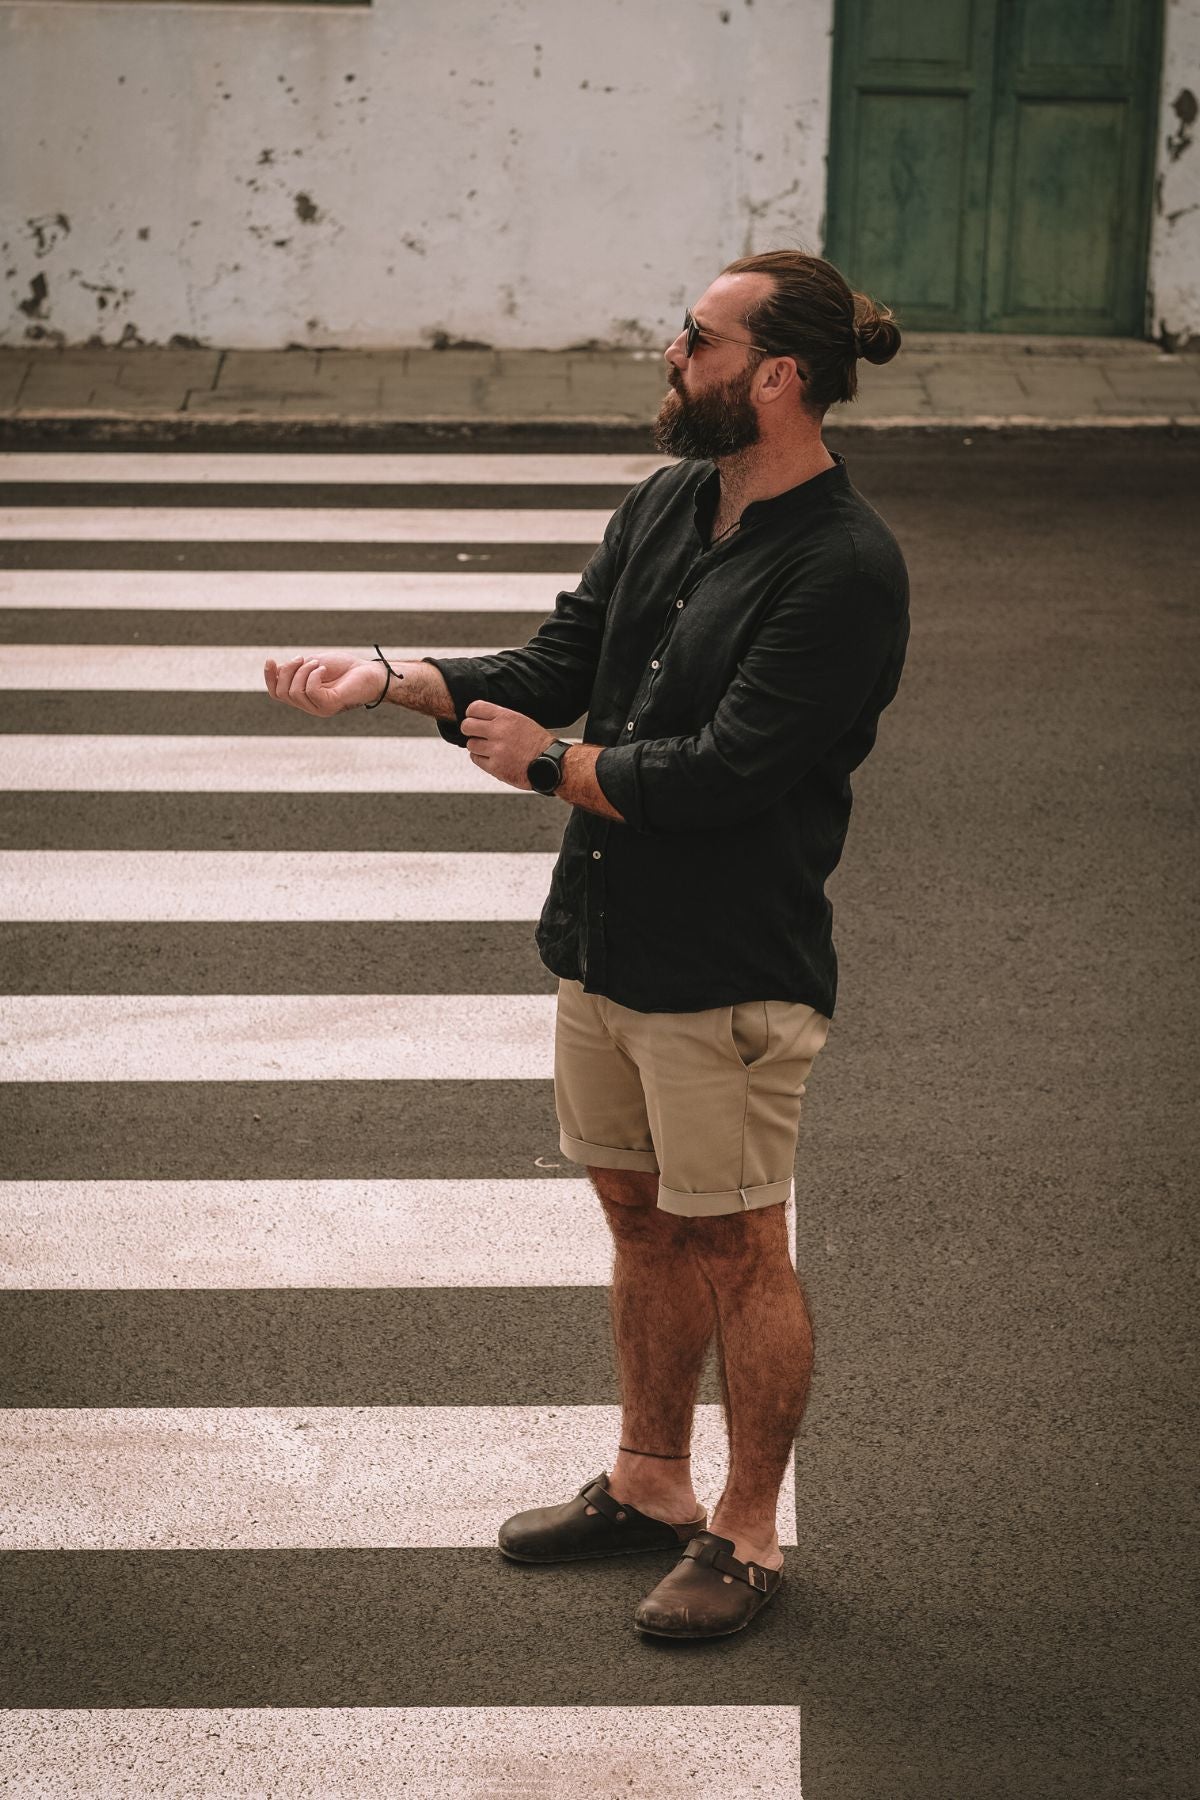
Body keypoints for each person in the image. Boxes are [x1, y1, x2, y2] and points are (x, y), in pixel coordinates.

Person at [264, 248, 908, 1642]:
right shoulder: (672, 501)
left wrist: (554, 767)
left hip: (729, 969)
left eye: (696, 338)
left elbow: (728, 771)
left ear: (776, 376)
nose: (671, 355)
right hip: (607, 940)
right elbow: (561, 659)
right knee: (638, 1219)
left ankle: (747, 1532)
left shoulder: (846, 568)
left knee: (740, 1244)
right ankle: (650, 1480)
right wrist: (393, 680)